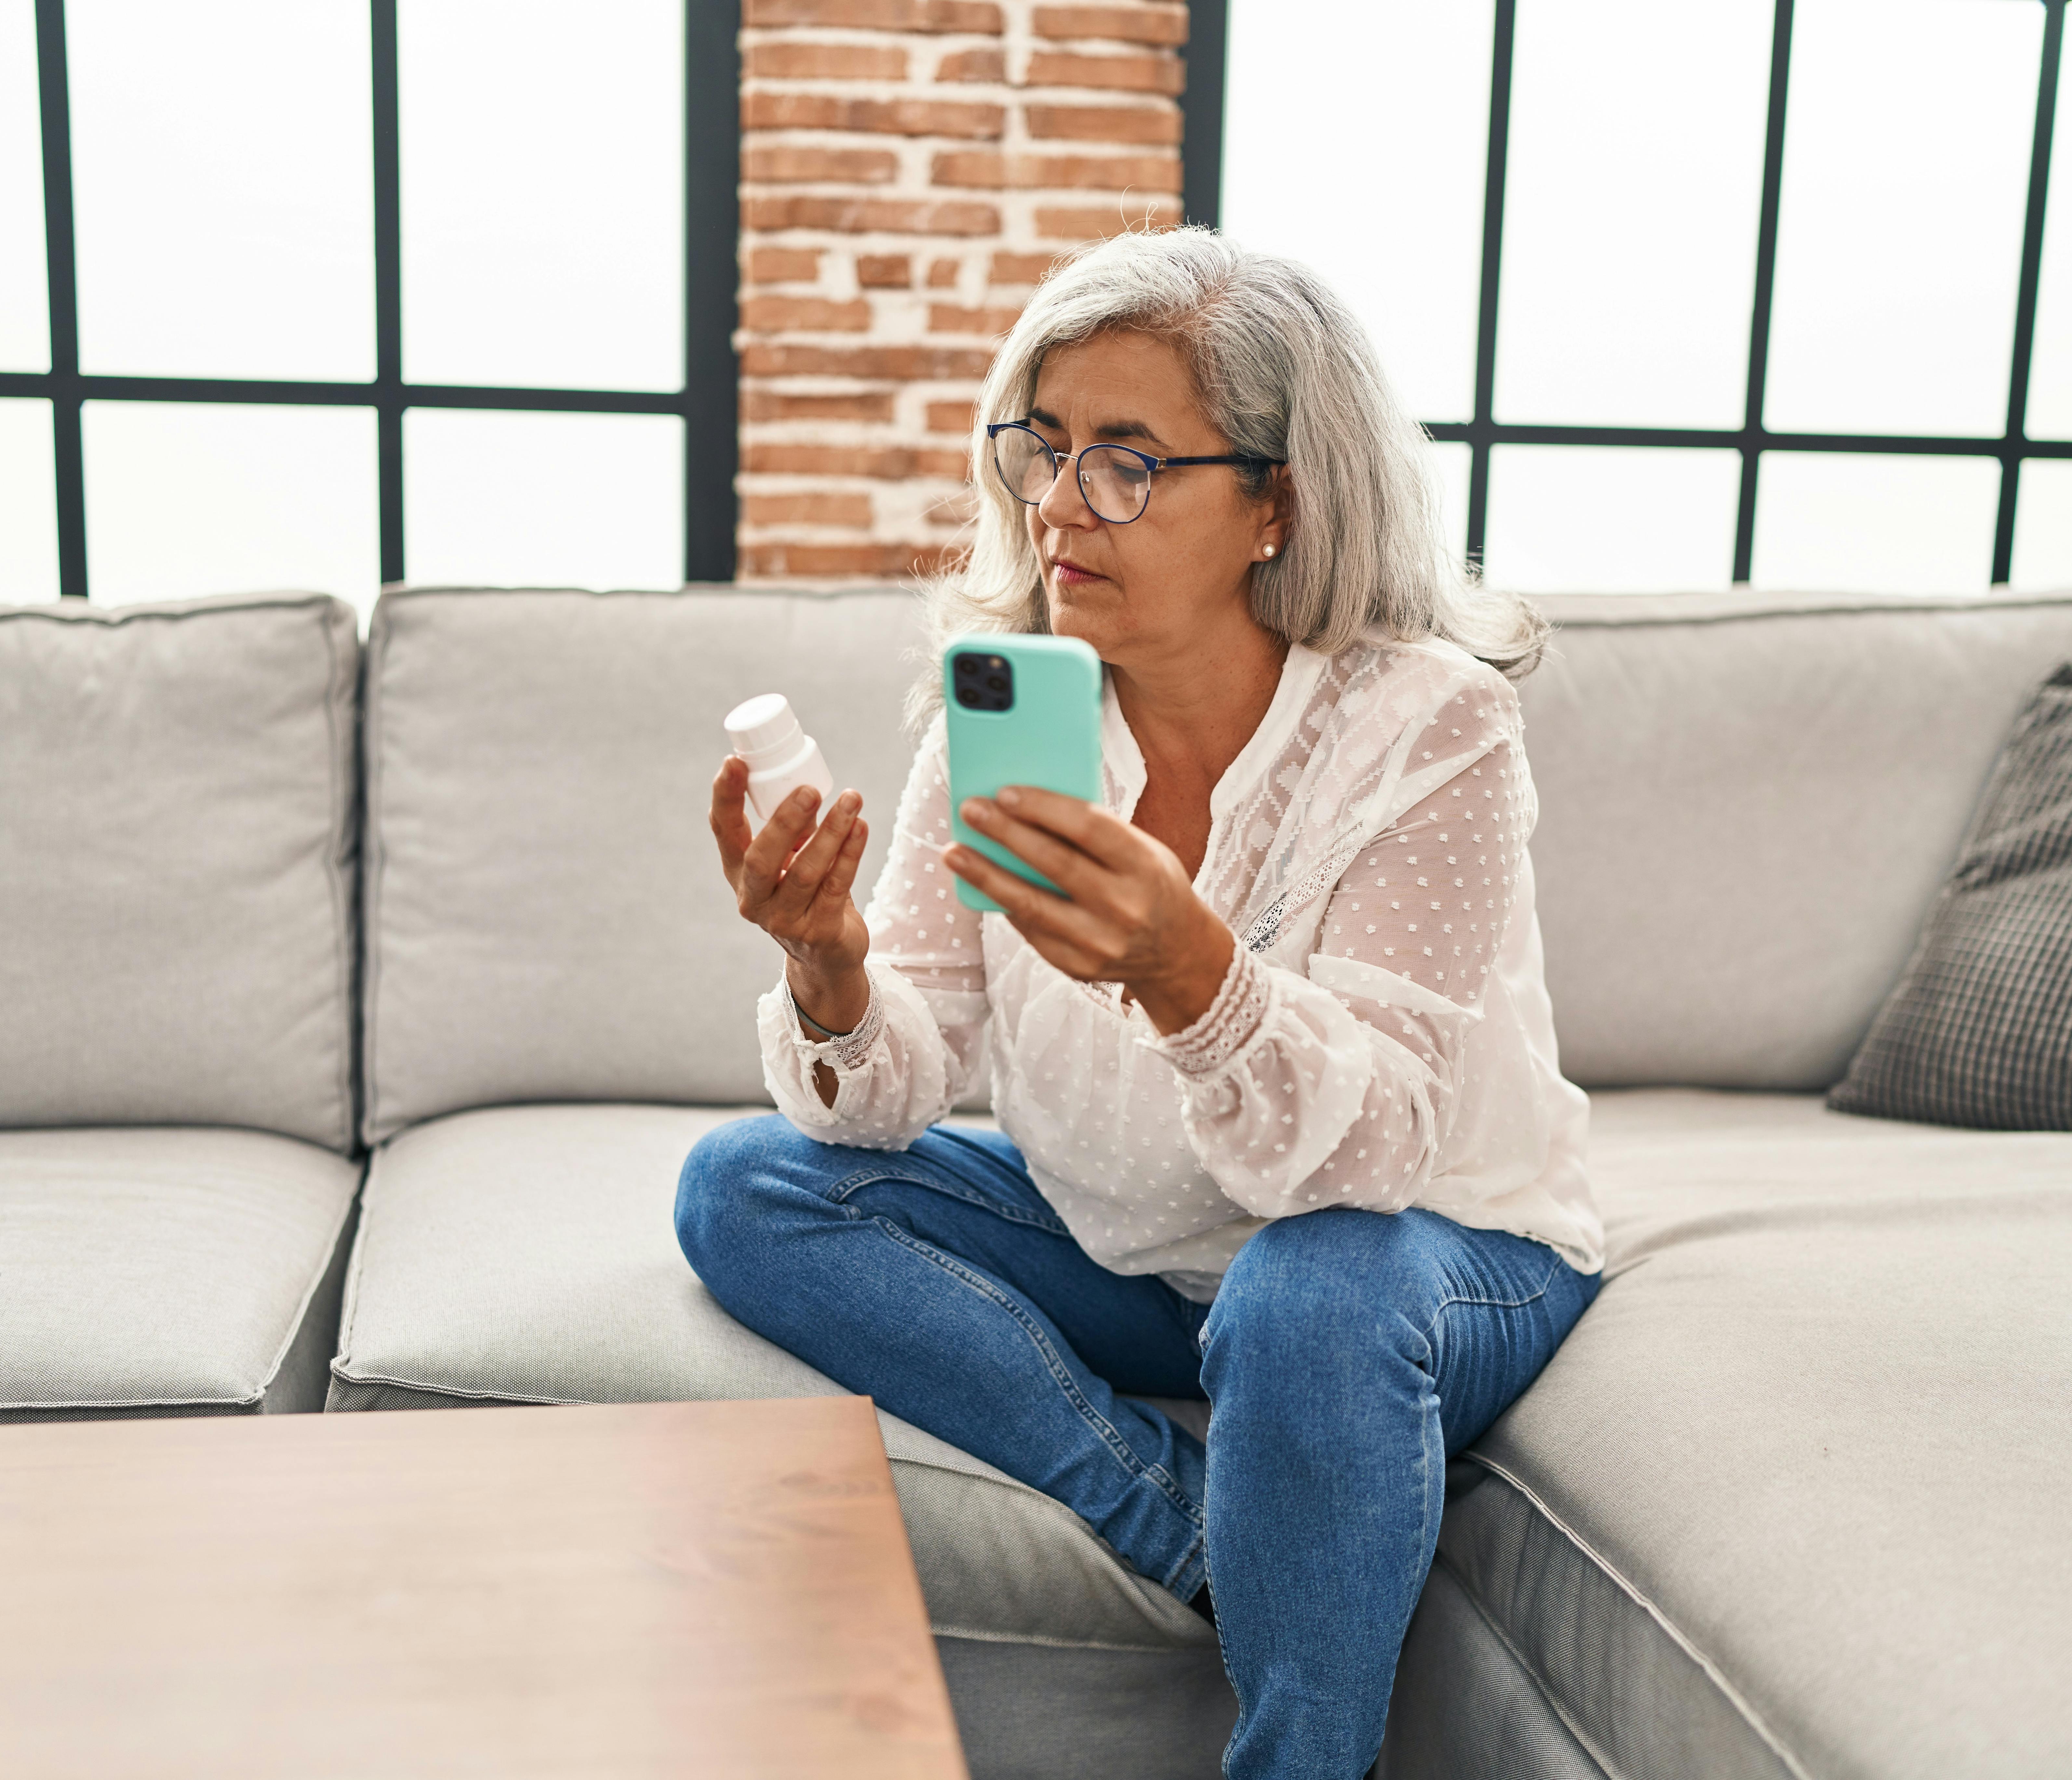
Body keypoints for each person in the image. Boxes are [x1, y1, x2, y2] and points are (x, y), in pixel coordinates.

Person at [676, 227, 1602, 1779]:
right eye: (1042, 448)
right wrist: (830, 967)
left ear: (1275, 503)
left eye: (1124, 462)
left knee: (1301, 1292)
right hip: (1140, 1248)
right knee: (747, 1184)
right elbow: (908, 1073)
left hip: (1438, 1249)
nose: (1054, 507)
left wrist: (1191, 973)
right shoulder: (1013, 700)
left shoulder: (1425, 724)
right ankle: (1177, 1526)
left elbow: (1370, 1157)